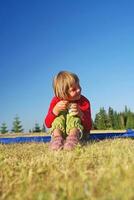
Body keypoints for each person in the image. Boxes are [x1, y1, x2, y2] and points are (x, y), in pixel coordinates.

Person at [44, 71, 92, 151]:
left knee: (73, 114)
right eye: (73, 89)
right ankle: (57, 138)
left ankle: (73, 137)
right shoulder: (56, 101)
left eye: (79, 86)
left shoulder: (84, 102)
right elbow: (47, 123)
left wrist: (80, 114)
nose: (79, 90)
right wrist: (54, 111)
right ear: (63, 93)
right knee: (59, 116)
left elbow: (89, 126)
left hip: (79, 134)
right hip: (61, 133)